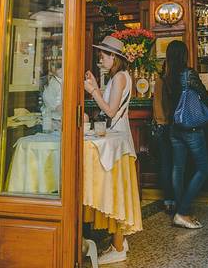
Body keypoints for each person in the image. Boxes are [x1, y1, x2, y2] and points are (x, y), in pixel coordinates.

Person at [84, 35, 139, 264]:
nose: (101, 60)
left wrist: (93, 91)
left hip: (118, 141)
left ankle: (118, 247)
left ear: (114, 57)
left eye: (103, 56)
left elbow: (111, 111)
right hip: (118, 139)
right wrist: (97, 86)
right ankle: (119, 242)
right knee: (117, 191)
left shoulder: (118, 78)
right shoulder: (119, 77)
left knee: (115, 194)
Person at [167, 40, 208, 229]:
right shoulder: (188, 74)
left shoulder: (166, 75)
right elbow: (206, 96)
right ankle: (182, 211)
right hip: (191, 127)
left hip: (174, 127)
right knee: (203, 169)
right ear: (184, 55)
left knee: (178, 169)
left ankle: (181, 210)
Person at [152, 61, 175, 214]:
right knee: (171, 164)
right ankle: (171, 199)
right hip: (168, 126)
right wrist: (163, 122)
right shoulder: (164, 82)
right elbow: (159, 105)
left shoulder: (161, 81)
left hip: (165, 125)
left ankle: (169, 200)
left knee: (168, 164)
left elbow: (157, 104)